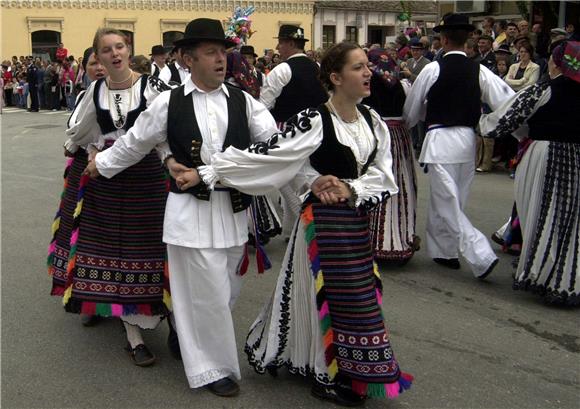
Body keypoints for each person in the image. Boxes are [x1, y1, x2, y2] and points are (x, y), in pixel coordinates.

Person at [205, 41, 412, 406]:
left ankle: (349, 366)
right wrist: (213, 169)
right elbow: (275, 157)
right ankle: (324, 372)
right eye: (358, 67)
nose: (368, 73)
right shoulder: (316, 119)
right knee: (321, 299)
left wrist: (349, 186)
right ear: (335, 77)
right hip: (321, 226)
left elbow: (385, 176)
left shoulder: (372, 121)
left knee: (357, 299)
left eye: (367, 66)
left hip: (355, 223)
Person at [84, 18, 280, 397]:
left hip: (233, 213)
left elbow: (272, 146)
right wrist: (102, 164)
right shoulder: (169, 102)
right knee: (204, 296)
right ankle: (212, 368)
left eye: (223, 52)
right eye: (211, 53)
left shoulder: (244, 101)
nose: (221, 60)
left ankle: (192, 339)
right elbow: (134, 142)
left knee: (224, 293)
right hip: (189, 214)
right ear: (188, 60)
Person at [52, 28, 175, 367]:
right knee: (114, 256)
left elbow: (168, 130)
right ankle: (133, 337)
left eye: (119, 46)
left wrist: (172, 160)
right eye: (106, 50)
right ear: (99, 58)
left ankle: (174, 322)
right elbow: (82, 132)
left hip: (147, 181)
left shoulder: (153, 87)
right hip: (106, 181)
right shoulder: (95, 92)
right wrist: (83, 148)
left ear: (128, 50)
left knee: (155, 250)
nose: (114, 53)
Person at [403, 13, 514, 278]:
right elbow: (507, 101)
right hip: (467, 142)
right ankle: (445, 251)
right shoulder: (481, 70)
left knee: (447, 202)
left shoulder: (432, 68)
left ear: (442, 39)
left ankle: (480, 255)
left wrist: (413, 120)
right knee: (455, 200)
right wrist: (521, 132)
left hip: (441, 140)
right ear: (468, 40)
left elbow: (411, 110)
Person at [480, 41, 580, 306]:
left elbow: (505, 120)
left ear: (557, 63)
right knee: (571, 221)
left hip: (544, 156)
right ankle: (567, 279)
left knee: (541, 213)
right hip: (576, 157)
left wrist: (480, 123)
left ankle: (542, 275)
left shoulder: (543, 90)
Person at [259, 24, 328, 239]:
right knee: (303, 176)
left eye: (280, 43)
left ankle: (307, 227)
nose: (278, 47)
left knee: (285, 180)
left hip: (287, 130)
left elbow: (264, 104)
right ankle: (292, 230)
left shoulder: (282, 69)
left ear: (289, 43)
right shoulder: (316, 67)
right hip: (315, 130)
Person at [362, 48, 419, 264]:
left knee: (376, 181)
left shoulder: (369, 83)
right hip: (399, 134)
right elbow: (409, 113)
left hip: (377, 133)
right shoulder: (401, 84)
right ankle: (400, 240)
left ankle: (377, 242)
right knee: (401, 183)